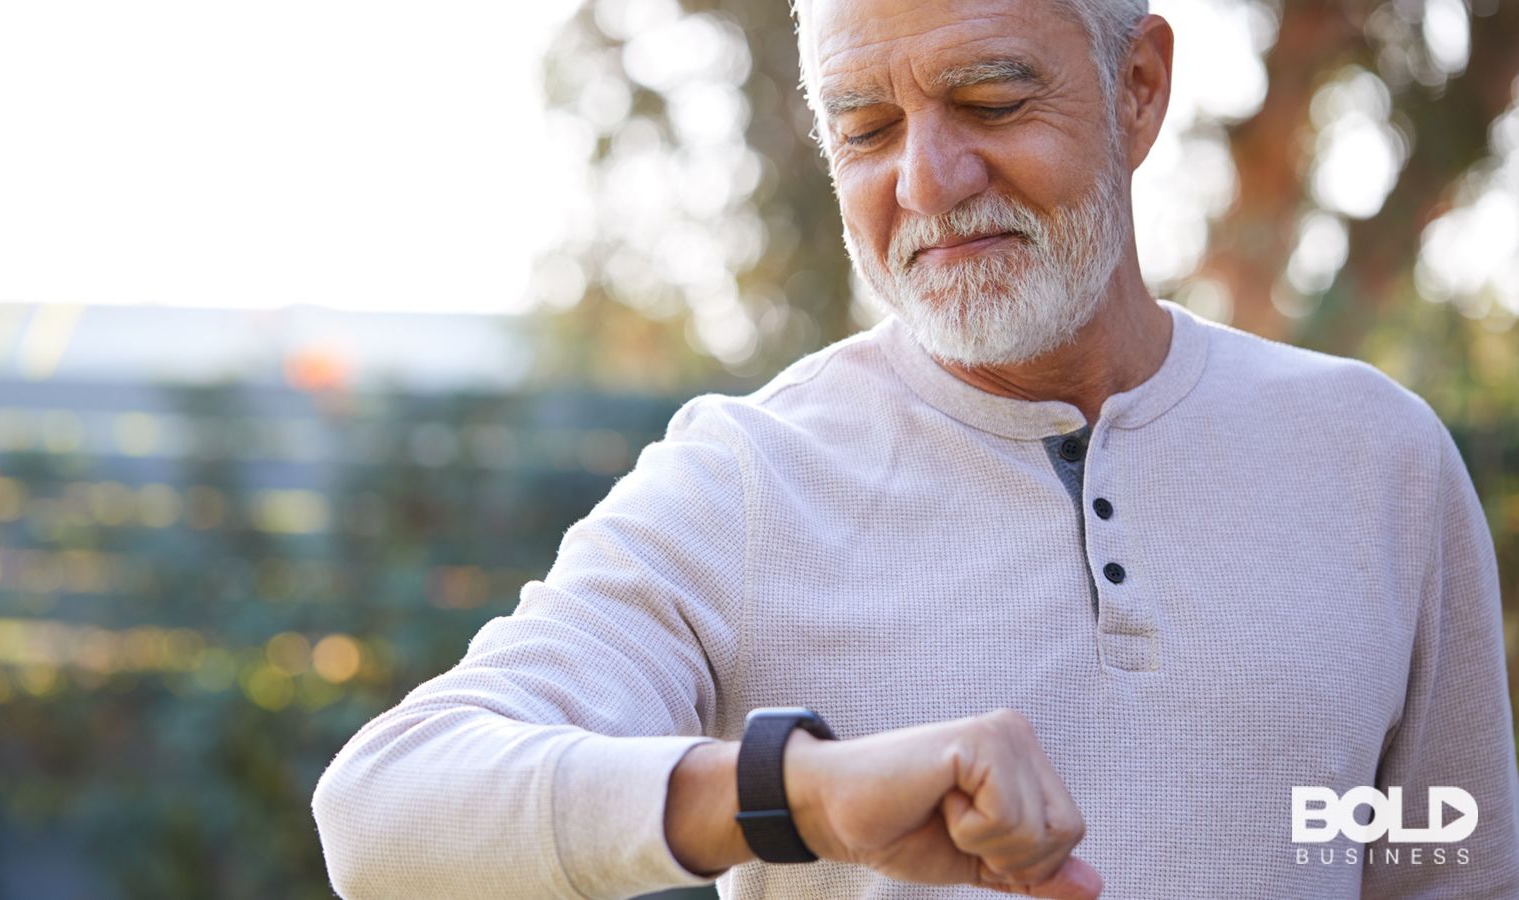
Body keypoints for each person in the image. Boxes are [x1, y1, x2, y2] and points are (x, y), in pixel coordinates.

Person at [312, 0, 1519, 896]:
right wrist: (798, 792)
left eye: (991, 101)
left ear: (1138, 86)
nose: (928, 182)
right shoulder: (743, 480)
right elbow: (384, 814)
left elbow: (1447, 863)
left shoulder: (1378, 462)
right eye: (867, 127)